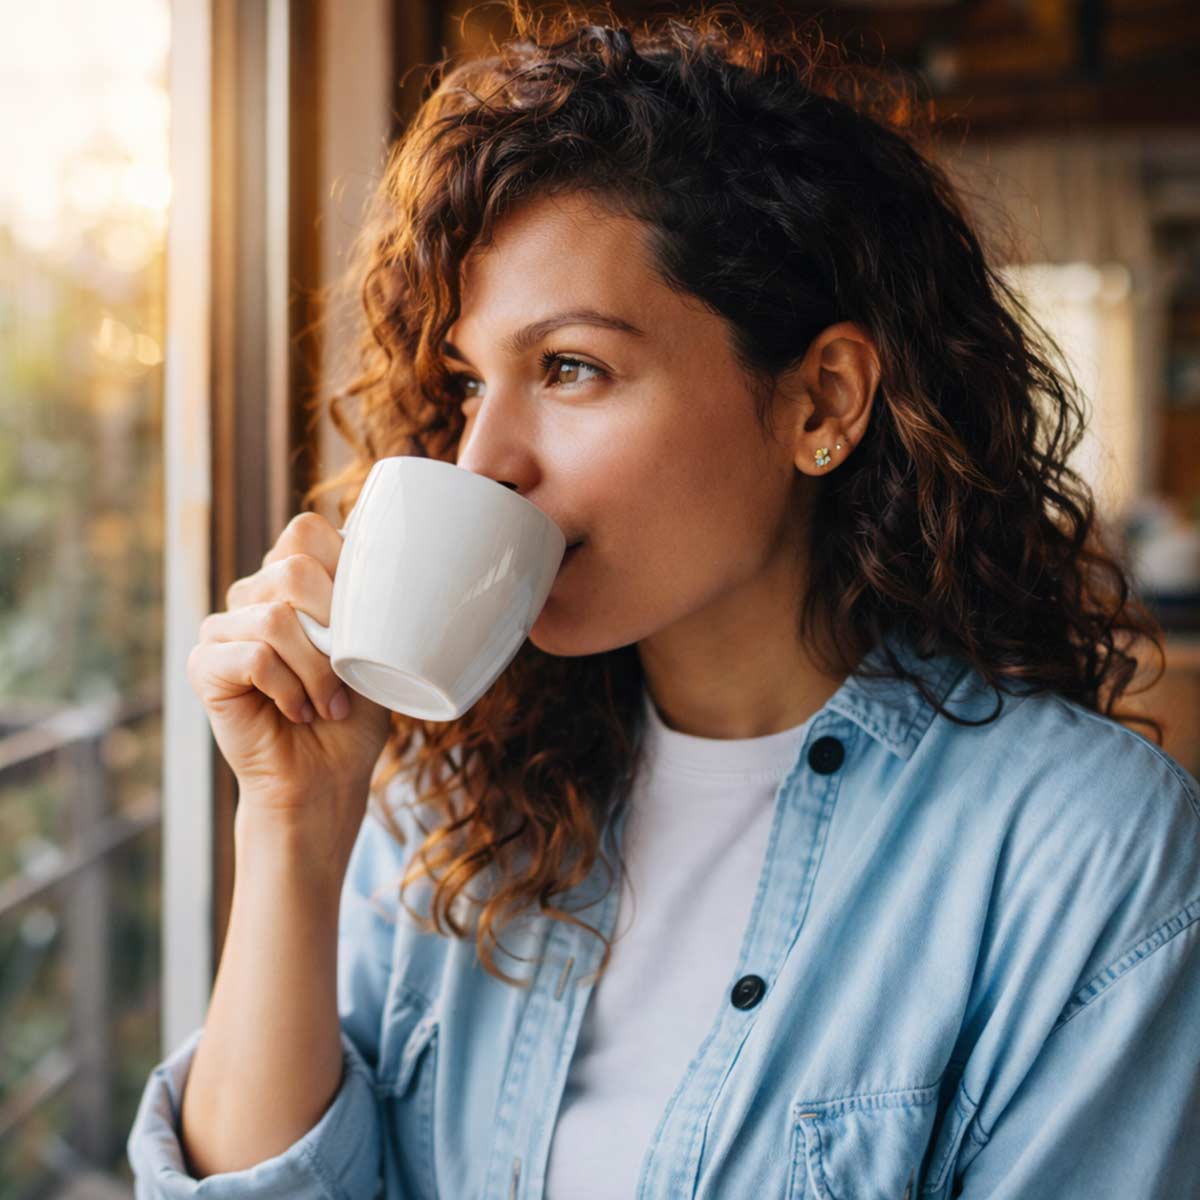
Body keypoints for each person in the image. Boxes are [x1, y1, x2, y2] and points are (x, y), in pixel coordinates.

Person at [126, 4, 1200, 1197]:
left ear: (821, 403)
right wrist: (290, 827)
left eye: (571, 368)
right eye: (470, 382)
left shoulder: (1083, 856)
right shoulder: (449, 800)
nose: (483, 460)